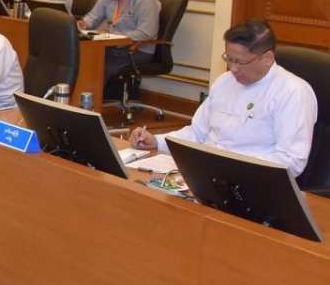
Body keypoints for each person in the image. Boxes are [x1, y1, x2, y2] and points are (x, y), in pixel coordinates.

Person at [130, 20, 316, 177]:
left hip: (252, 182)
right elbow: (196, 134)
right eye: (229, 59)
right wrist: (157, 142)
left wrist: (228, 166)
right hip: (206, 175)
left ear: (267, 58)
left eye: (240, 62)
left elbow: (291, 161)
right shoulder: (224, 82)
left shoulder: (293, 92)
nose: (233, 69)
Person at [79, 0, 160, 80]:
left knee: (99, 65)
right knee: (83, 57)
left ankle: (98, 90)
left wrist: (116, 37)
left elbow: (146, 33)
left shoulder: (144, 0)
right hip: (113, 46)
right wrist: (83, 24)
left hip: (137, 49)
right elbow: (94, 16)